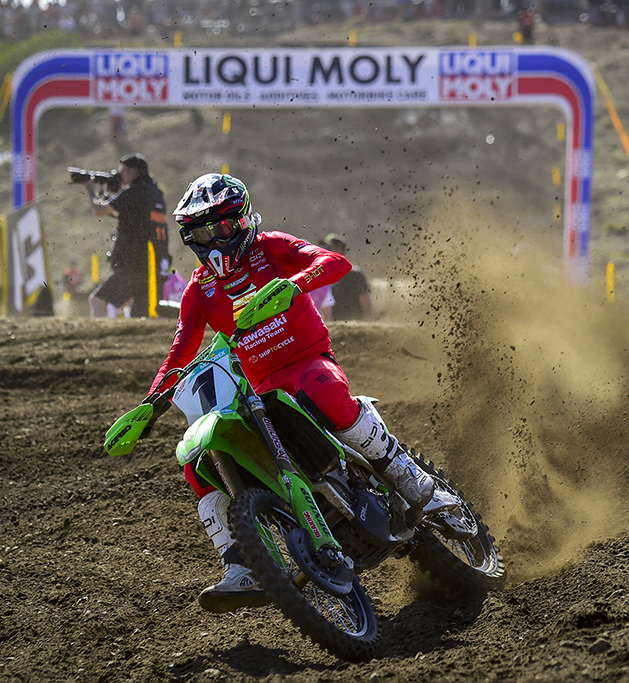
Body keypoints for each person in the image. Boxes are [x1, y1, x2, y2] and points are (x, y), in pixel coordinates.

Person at [141, 173, 454, 613]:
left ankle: (408, 476)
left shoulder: (270, 247)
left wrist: (295, 282)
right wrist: (150, 403)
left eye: (221, 228)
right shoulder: (199, 289)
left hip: (307, 361)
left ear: (242, 221)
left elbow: (334, 263)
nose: (213, 241)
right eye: (202, 233)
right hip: (261, 387)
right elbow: (180, 350)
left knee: (322, 392)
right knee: (200, 461)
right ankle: (242, 563)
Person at [83, 153, 170, 318]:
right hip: (154, 265)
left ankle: (100, 334)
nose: (120, 175)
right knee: (141, 316)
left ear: (133, 171)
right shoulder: (156, 193)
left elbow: (99, 210)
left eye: (123, 171)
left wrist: (90, 189)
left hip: (133, 264)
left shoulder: (135, 190)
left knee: (97, 300)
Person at [321, 234, 373, 320]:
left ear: (340, 251)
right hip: (330, 326)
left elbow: (367, 306)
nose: (325, 250)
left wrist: (366, 324)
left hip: (353, 324)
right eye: (324, 248)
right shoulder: (320, 274)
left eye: (329, 248)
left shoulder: (354, 274)